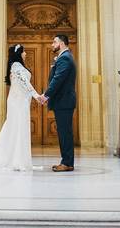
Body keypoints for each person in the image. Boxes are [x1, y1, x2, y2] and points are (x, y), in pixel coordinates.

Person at [43, 34, 77, 172]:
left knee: (65, 133)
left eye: (54, 42)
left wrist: (46, 95)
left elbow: (57, 80)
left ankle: (67, 163)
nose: (52, 44)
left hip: (64, 102)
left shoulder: (65, 58)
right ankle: (67, 161)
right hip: (63, 102)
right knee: (64, 132)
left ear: (62, 43)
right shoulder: (65, 57)